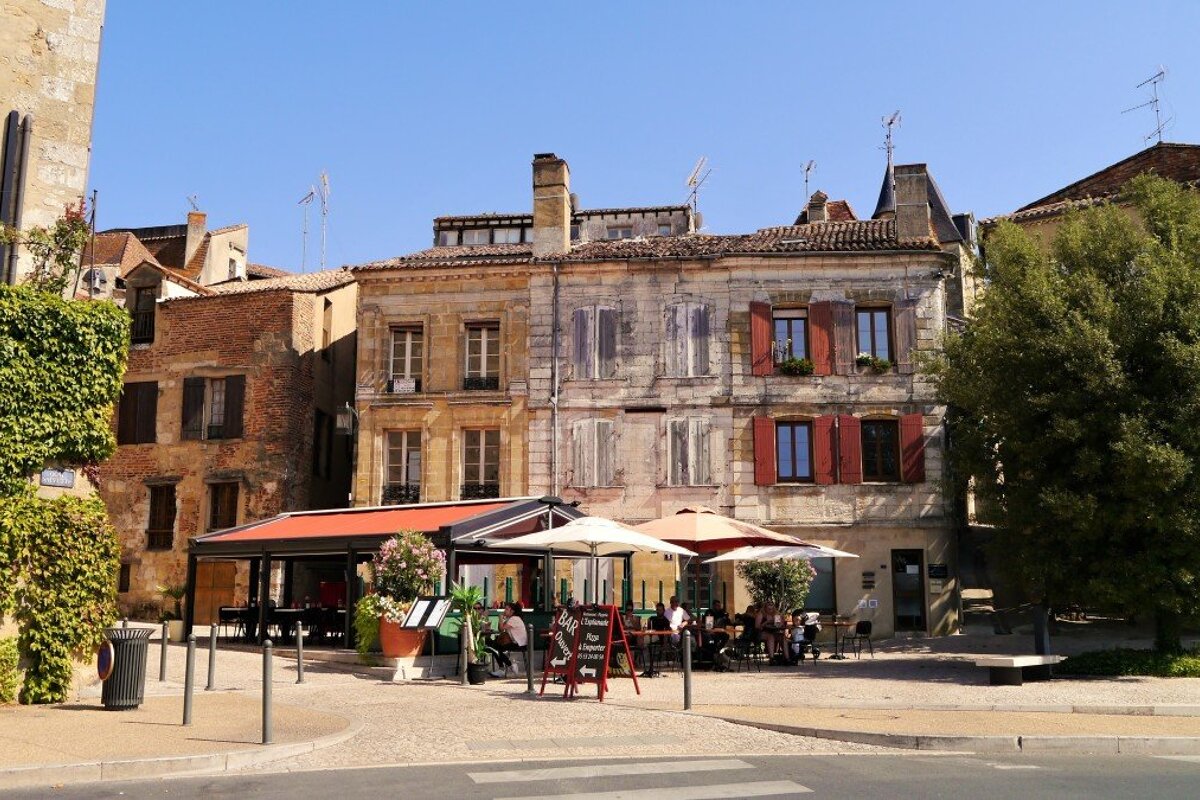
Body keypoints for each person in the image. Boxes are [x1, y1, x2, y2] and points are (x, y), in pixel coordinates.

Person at [490, 602, 528, 678]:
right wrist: (501, 620)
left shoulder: (514, 619)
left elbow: (501, 629)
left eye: (507, 609)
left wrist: (500, 618)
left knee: (495, 647)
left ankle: (508, 666)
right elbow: (501, 630)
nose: (504, 611)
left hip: (520, 644)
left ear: (512, 611)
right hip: (517, 643)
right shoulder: (511, 619)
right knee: (495, 646)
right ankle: (505, 667)